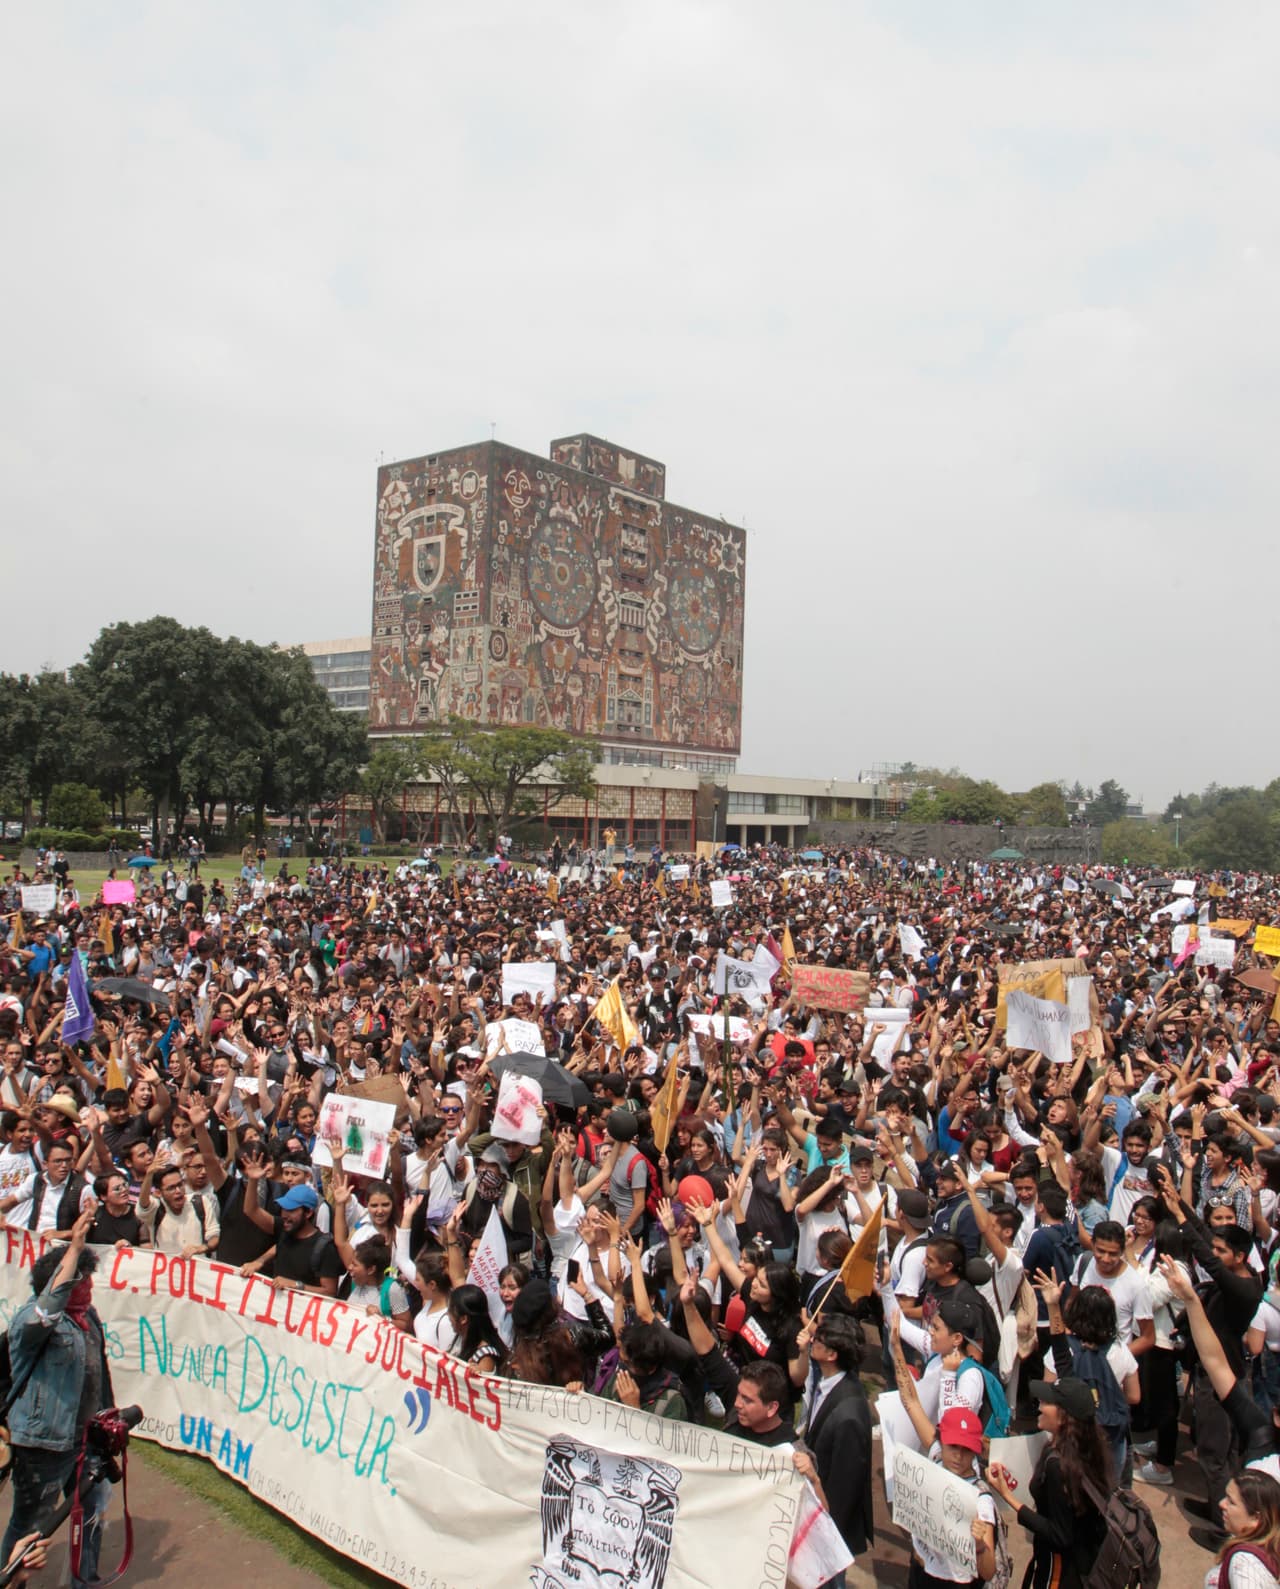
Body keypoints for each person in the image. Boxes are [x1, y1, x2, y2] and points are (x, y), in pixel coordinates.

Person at [0, 1210, 114, 1587]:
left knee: (93, 1512)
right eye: (82, 1278)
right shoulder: (30, 1323)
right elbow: (48, 1308)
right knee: (30, 1527)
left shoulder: (89, 1317)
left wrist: (109, 1421)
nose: (89, 1286)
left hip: (87, 1440)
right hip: (44, 1444)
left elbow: (99, 1373)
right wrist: (75, 1248)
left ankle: (83, 1583)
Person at [986, 1376, 1112, 1589]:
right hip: (1085, 1561)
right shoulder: (1086, 1448)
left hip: (1062, 1573)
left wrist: (1007, 1496)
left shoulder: (1058, 1466)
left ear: (1063, 1416)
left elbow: (1060, 1535)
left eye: (1047, 1402)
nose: (1040, 1406)